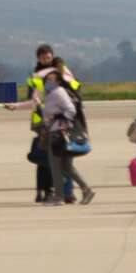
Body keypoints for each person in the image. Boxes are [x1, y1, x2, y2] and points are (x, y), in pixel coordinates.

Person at [21, 45, 79, 203]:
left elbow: (75, 89)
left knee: (63, 157)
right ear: (38, 59)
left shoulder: (60, 73)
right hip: (42, 123)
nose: (46, 60)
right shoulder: (36, 76)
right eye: (43, 58)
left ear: (53, 56)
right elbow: (31, 98)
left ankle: (66, 192)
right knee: (44, 159)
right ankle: (44, 190)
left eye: (48, 57)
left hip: (60, 121)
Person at [41, 70, 94, 205]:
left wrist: (59, 118)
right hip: (58, 131)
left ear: (58, 81)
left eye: (51, 79)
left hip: (59, 134)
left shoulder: (58, 92)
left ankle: (59, 196)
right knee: (66, 166)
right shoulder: (52, 93)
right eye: (47, 79)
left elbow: (71, 109)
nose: (48, 82)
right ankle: (86, 189)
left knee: (56, 165)